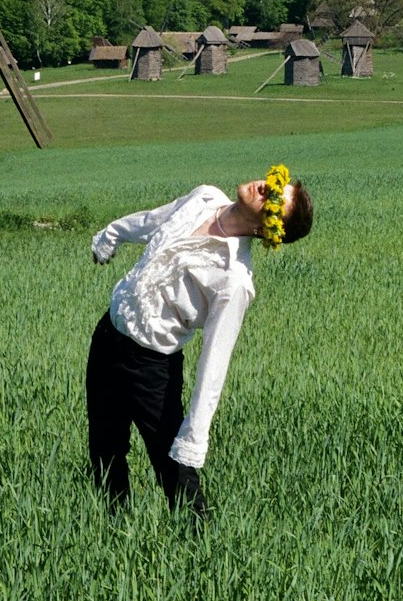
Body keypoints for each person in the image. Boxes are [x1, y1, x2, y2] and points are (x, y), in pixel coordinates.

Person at [87, 166, 314, 515]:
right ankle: (111, 535)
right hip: (107, 337)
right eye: (274, 184)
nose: (265, 188)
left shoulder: (234, 278)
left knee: (174, 470)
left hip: (151, 370)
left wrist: (194, 437)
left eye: (273, 201)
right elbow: (153, 221)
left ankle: (199, 547)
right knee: (104, 449)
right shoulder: (204, 197)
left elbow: (214, 362)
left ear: (265, 229)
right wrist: (111, 235)